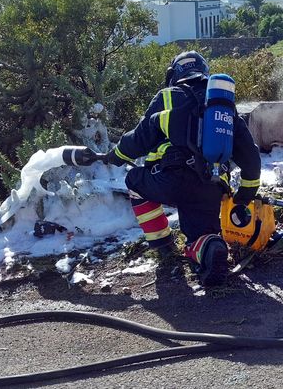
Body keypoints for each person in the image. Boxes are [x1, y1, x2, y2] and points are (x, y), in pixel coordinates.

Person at [105, 51, 261, 286]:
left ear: (173, 75)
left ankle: (162, 245)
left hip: (170, 180)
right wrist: (248, 190)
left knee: (135, 181)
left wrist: (116, 155)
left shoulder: (166, 96)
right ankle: (210, 247)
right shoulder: (221, 107)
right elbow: (248, 151)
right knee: (202, 235)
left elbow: (141, 137)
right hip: (212, 184)